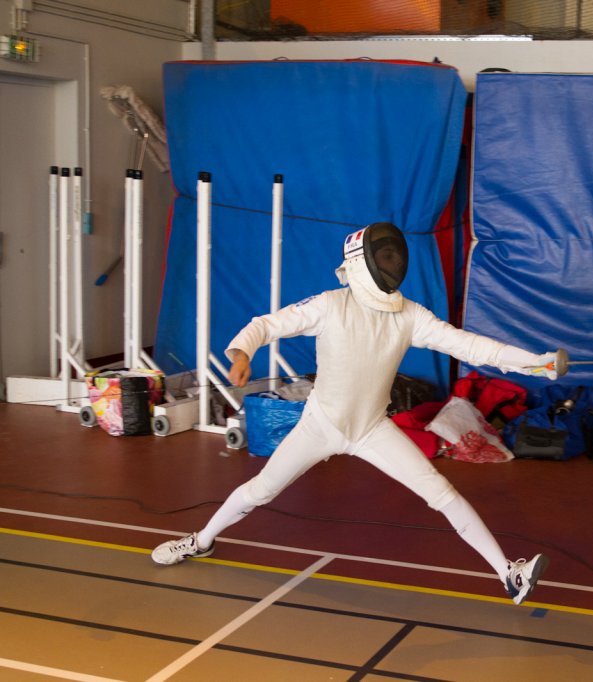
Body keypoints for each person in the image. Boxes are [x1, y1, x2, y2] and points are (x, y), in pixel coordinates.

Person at [152, 222, 560, 605]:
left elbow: (470, 346)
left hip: (371, 429)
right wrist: (242, 352)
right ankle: (200, 541)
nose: (393, 264)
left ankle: (509, 574)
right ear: (360, 263)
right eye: (384, 256)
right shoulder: (330, 305)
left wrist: (534, 363)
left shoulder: (410, 316)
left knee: (441, 492)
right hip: (320, 425)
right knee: (261, 491)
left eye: (395, 256)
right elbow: (266, 325)